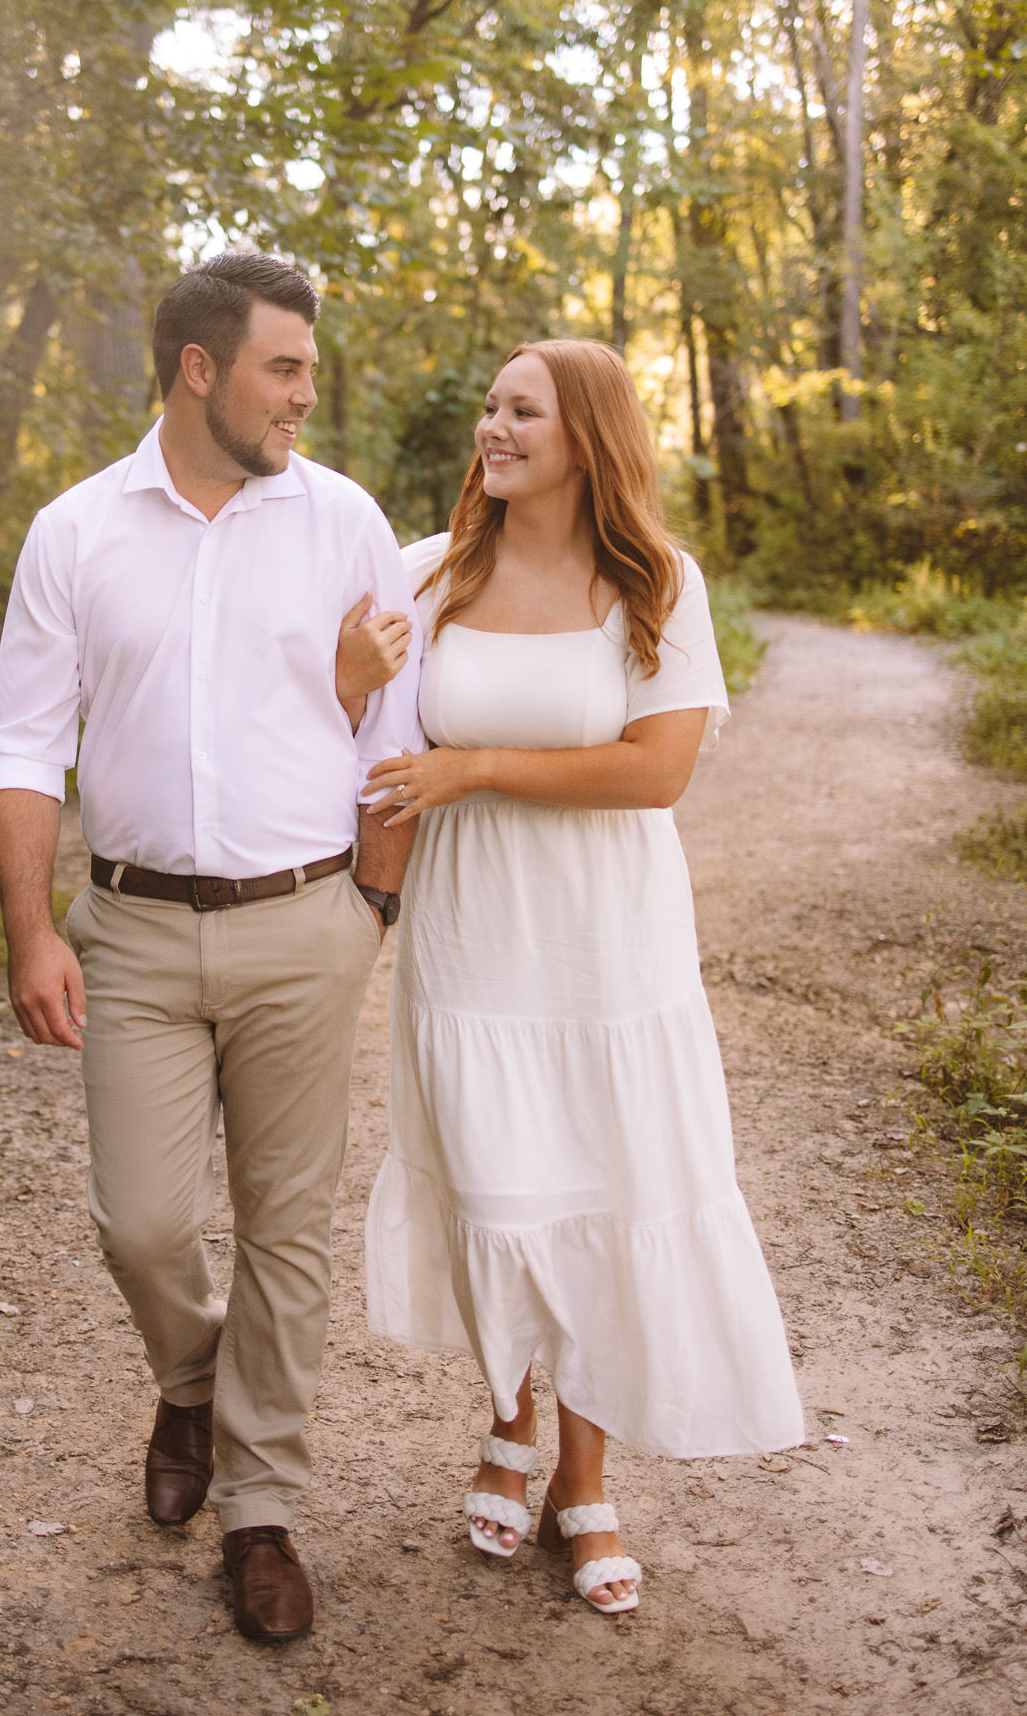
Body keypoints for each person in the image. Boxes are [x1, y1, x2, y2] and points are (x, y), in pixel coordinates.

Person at [0, 251, 421, 1644]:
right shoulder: (76, 533)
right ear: (197, 370)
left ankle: (261, 1506)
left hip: (306, 927)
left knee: (288, 1234)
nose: (305, 392)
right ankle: (190, 1384)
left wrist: (372, 910)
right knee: (147, 1225)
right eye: (282, 366)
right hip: (139, 934)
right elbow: (22, 743)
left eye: (305, 367)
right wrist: (32, 928)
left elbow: (389, 732)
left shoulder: (345, 520)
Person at [359, 338, 804, 1616]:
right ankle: (508, 1419)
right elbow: (352, 719)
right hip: (472, 923)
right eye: (490, 404)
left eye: (521, 409)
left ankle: (584, 1474)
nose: (492, 426)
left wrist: (476, 764)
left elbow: (658, 769)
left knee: (608, 1181)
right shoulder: (427, 572)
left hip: (608, 933)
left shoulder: (655, 580)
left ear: (587, 435)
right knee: (497, 1175)